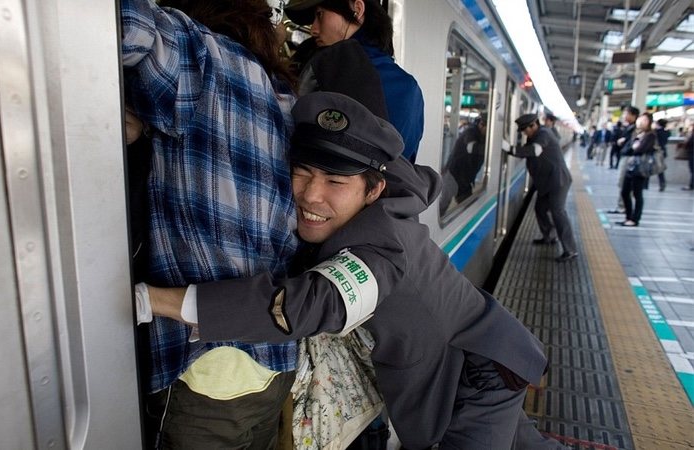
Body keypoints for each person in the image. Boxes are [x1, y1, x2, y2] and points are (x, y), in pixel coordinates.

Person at [137, 91, 565, 450]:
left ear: (373, 189)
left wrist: (157, 300)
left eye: (336, 183)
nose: (311, 196)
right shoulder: (387, 200)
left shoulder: (378, 248)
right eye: (301, 173)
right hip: (486, 350)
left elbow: (312, 304)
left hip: (477, 377)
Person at [122, 0, 301, 447]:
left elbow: (120, 23)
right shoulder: (284, 100)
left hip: (204, 370)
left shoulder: (197, 54)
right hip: (275, 363)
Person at [285, 0, 425, 163]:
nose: (314, 29)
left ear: (357, 9)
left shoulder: (324, 75)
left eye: (320, 15)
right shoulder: (409, 88)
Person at [508, 113, 578, 262]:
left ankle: (570, 250)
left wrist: (510, 148)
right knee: (540, 208)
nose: (524, 133)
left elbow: (534, 151)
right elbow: (523, 152)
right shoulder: (533, 136)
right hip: (547, 183)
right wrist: (511, 150)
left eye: (525, 129)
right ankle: (550, 236)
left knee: (558, 213)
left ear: (534, 125)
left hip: (557, 182)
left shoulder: (544, 133)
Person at [616, 112, 657, 227]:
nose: (641, 122)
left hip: (640, 169)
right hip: (631, 167)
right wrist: (633, 146)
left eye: (644, 120)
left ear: (649, 122)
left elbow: (640, 149)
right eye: (640, 119)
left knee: (637, 194)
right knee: (625, 192)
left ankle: (635, 219)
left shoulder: (650, 135)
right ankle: (628, 217)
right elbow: (628, 149)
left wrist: (634, 147)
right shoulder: (638, 134)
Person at [445, 115, 487, 204]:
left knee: (466, 204)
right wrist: (490, 148)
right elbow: (470, 148)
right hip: (455, 174)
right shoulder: (471, 131)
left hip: (465, 178)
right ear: (481, 124)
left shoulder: (483, 135)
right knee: (443, 204)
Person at [607, 106, 640, 215]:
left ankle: (622, 207)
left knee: (624, 183)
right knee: (622, 183)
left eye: (626, 113)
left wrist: (623, 141)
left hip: (628, 158)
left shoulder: (634, 128)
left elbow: (634, 144)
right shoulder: (629, 127)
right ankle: (622, 206)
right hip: (625, 156)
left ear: (633, 115)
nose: (624, 116)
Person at [654, 118, 671, 191]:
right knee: (660, 169)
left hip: (656, 151)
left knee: (655, 168)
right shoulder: (667, 132)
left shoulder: (656, 132)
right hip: (663, 151)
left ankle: (645, 184)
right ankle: (662, 183)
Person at [683, 123, 694, 191]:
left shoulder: (692, 135)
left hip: (692, 154)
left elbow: (689, 143)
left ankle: (691, 185)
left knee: (693, 170)